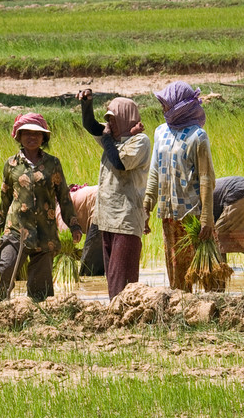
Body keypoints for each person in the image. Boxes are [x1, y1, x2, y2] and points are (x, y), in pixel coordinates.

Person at [0, 113, 79, 302]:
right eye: (27, 134)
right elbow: (5, 198)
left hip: (44, 231)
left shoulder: (53, 163)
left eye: (37, 134)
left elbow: (63, 196)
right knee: (5, 268)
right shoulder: (11, 164)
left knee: (41, 286)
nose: (32, 138)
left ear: (43, 138)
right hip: (16, 229)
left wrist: (74, 225)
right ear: (19, 137)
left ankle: (38, 315)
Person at [144, 81, 217, 292]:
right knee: (177, 272)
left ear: (181, 106)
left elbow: (206, 178)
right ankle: (181, 311)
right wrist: (148, 203)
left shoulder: (198, 136)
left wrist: (206, 219)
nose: (163, 109)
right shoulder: (160, 132)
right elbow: (155, 170)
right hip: (169, 213)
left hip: (193, 214)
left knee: (206, 271)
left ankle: (213, 313)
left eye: (166, 104)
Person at [78, 90, 151, 299]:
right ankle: (116, 318)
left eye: (113, 120)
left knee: (123, 280)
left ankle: (125, 320)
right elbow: (91, 126)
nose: (109, 126)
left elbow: (120, 164)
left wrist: (108, 138)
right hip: (107, 220)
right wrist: (86, 104)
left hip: (126, 222)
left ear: (126, 118)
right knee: (112, 278)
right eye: (108, 120)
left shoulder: (139, 141)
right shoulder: (114, 140)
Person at [66, 184, 103, 277]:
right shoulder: (69, 197)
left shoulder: (60, 208)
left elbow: (66, 240)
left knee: (88, 267)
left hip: (101, 204)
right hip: (107, 198)